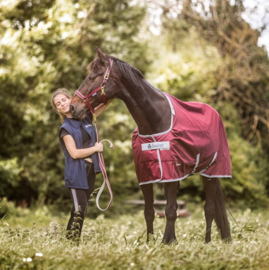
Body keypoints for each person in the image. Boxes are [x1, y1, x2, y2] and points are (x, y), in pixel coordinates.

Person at [51, 88, 111, 242]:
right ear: (57, 109)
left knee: (80, 208)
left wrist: (111, 93)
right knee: (79, 209)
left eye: (64, 100)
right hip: (76, 172)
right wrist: (95, 149)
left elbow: (104, 104)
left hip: (90, 171)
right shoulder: (65, 129)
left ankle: (69, 239)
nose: (62, 104)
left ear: (70, 99)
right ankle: (73, 242)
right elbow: (75, 153)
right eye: (58, 104)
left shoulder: (85, 118)